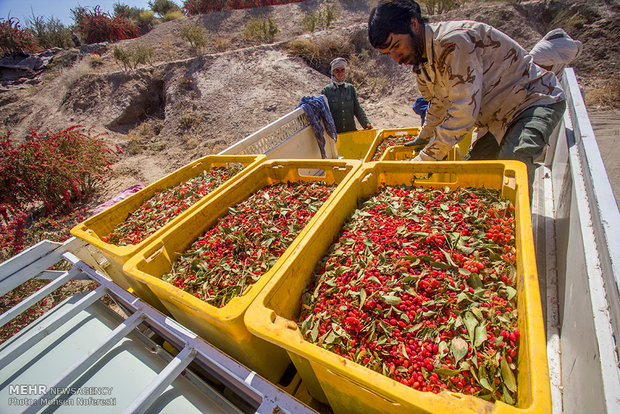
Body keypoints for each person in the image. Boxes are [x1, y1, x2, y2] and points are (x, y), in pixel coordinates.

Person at [368, 0, 566, 194]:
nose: (396, 58)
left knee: (512, 162)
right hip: (495, 119)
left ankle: (520, 223)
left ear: (413, 24)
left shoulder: (452, 43)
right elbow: (437, 104)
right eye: (388, 54)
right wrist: (424, 137)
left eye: (396, 46)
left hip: (532, 99)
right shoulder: (422, 63)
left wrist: (424, 159)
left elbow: (463, 112)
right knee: (476, 176)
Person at [321, 57, 373, 133]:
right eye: (337, 70)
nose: (340, 73)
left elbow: (357, 109)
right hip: (336, 135)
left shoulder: (350, 88)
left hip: (351, 132)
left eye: (342, 70)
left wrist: (366, 123)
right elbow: (324, 114)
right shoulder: (327, 91)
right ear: (333, 72)